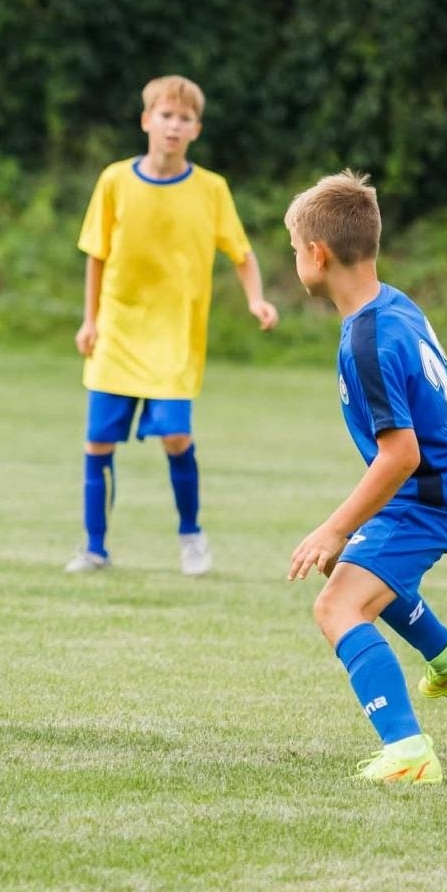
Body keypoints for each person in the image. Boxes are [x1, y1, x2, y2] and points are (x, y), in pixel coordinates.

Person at [285, 170, 447, 784]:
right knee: (345, 565)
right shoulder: (393, 304)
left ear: (318, 254)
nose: (295, 259)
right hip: (445, 481)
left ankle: (408, 752)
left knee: (337, 606)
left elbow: (399, 454)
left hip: (431, 494)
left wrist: (333, 526)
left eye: (294, 249)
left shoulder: (367, 342)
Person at [67, 75, 277, 577]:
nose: (173, 126)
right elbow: (96, 255)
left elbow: (242, 254)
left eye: (184, 119)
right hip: (117, 332)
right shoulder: (115, 180)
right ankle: (94, 548)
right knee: (98, 442)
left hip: (175, 339)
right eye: (165, 115)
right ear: (146, 120)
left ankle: (191, 536)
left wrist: (256, 299)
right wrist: (90, 320)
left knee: (176, 438)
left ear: (196, 130)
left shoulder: (212, 189)